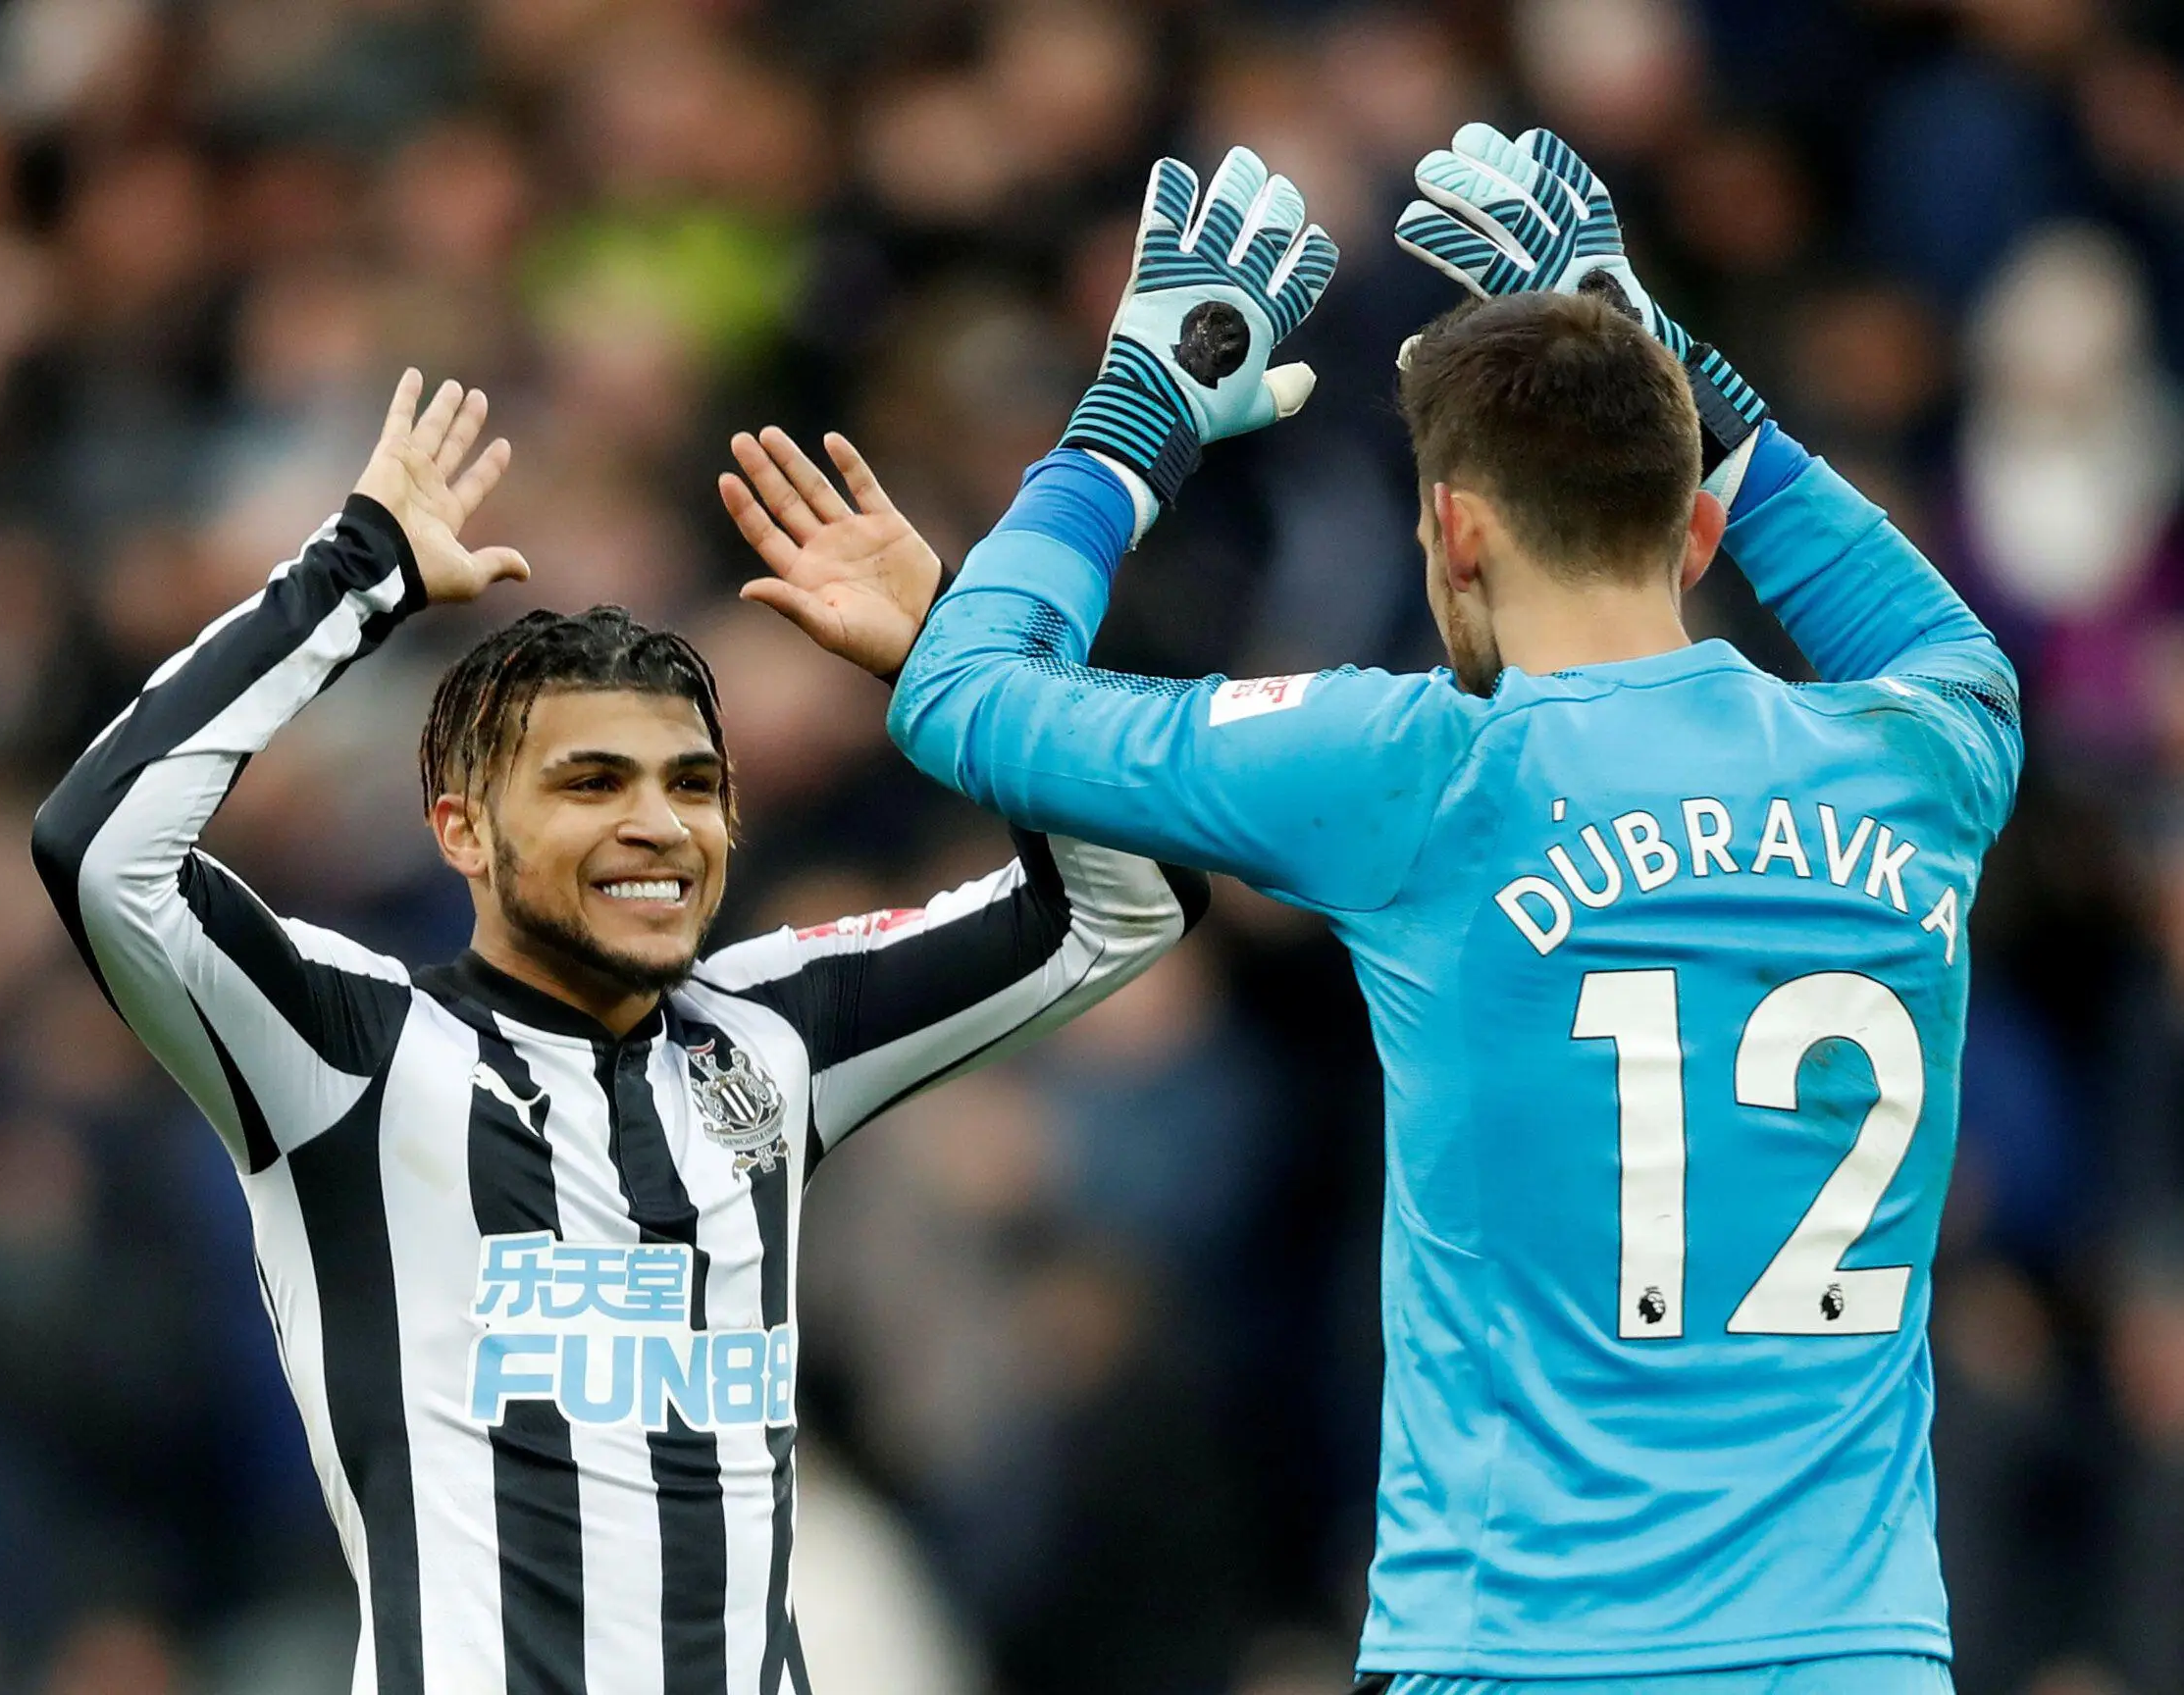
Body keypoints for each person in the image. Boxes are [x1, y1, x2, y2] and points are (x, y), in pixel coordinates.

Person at [722, 132, 2020, 1694]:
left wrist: (1137, 412)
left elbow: (973, 698)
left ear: (1454, 532)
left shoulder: (1420, 769)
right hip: (1858, 1656)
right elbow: (1939, 638)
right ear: (1696, 531)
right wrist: (1674, 365)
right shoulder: (1920, 763)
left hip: (1524, 1650)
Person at [29, 370, 1205, 1695]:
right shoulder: (347, 1057)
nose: (658, 824)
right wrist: (356, 577)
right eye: (592, 781)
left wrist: (959, 655)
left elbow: (1134, 898)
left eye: (692, 785)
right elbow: (102, 846)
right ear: (462, 827)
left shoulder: (775, 1037)